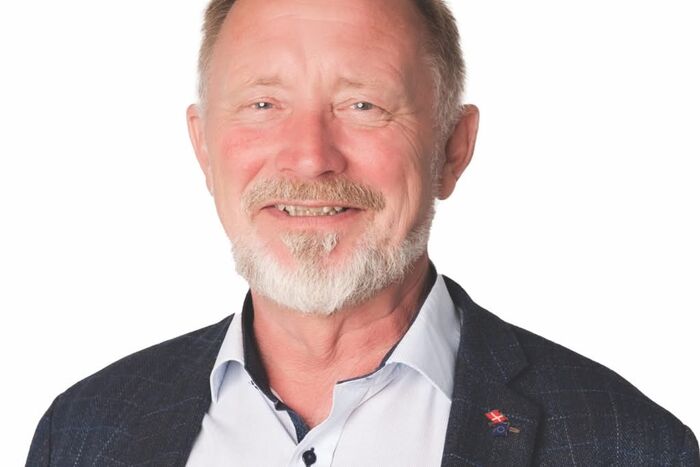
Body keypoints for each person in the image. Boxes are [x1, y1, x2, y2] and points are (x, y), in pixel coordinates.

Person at [26, 0, 698, 465]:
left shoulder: (630, 446)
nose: (309, 157)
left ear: (452, 148)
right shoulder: (82, 433)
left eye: (362, 104)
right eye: (263, 103)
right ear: (204, 148)